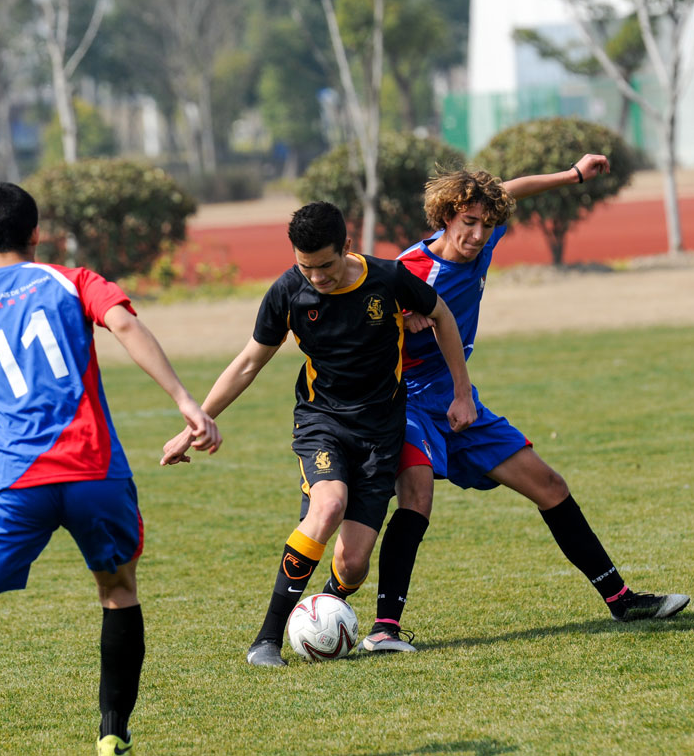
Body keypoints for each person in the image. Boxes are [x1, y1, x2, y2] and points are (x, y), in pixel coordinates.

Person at [0, 182, 220, 756]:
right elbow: (124, 324)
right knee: (118, 591)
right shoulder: (70, 280)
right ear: (35, 234)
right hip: (93, 470)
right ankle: (111, 734)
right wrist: (186, 402)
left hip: (14, 483)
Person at [341, 157, 690, 653]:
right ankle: (384, 630)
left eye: (487, 224)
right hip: (409, 404)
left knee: (549, 485)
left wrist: (573, 176)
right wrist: (403, 319)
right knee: (417, 493)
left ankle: (621, 599)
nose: (479, 234)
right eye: (469, 223)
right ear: (446, 217)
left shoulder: (482, 233)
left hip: (460, 399)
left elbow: (511, 190)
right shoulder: (410, 270)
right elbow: (361, 324)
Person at [159, 201, 476, 667]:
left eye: (325, 266)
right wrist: (197, 422)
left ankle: (325, 611)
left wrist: (462, 392)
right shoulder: (289, 293)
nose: (317, 277)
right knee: (328, 505)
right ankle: (266, 640)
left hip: (381, 432)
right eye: (305, 266)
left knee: (352, 564)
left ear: (346, 247)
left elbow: (443, 315)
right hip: (322, 422)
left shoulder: (387, 279)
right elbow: (248, 363)